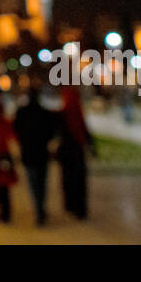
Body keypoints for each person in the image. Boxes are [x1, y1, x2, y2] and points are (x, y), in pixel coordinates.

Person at [13, 80, 57, 226]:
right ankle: (40, 209)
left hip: (28, 153)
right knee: (42, 182)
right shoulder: (44, 113)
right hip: (42, 153)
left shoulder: (21, 112)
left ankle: (38, 209)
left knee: (33, 183)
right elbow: (52, 132)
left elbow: (16, 132)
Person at [57, 85, 93, 219]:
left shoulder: (65, 113)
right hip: (76, 151)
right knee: (78, 181)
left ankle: (72, 205)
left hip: (68, 153)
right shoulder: (76, 113)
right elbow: (84, 131)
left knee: (69, 180)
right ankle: (79, 208)